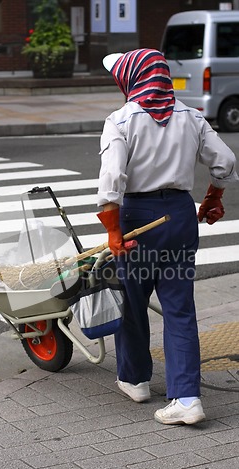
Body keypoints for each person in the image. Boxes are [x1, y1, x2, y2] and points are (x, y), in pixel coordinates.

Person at [97, 49, 238, 425]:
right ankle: (187, 398)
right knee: (179, 309)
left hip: (137, 220)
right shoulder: (191, 117)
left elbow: (111, 182)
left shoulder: (121, 120)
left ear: (131, 79)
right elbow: (224, 161)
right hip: (179, 217)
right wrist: (212, 198)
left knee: (132, 300)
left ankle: (135, 379)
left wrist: (113, 233)